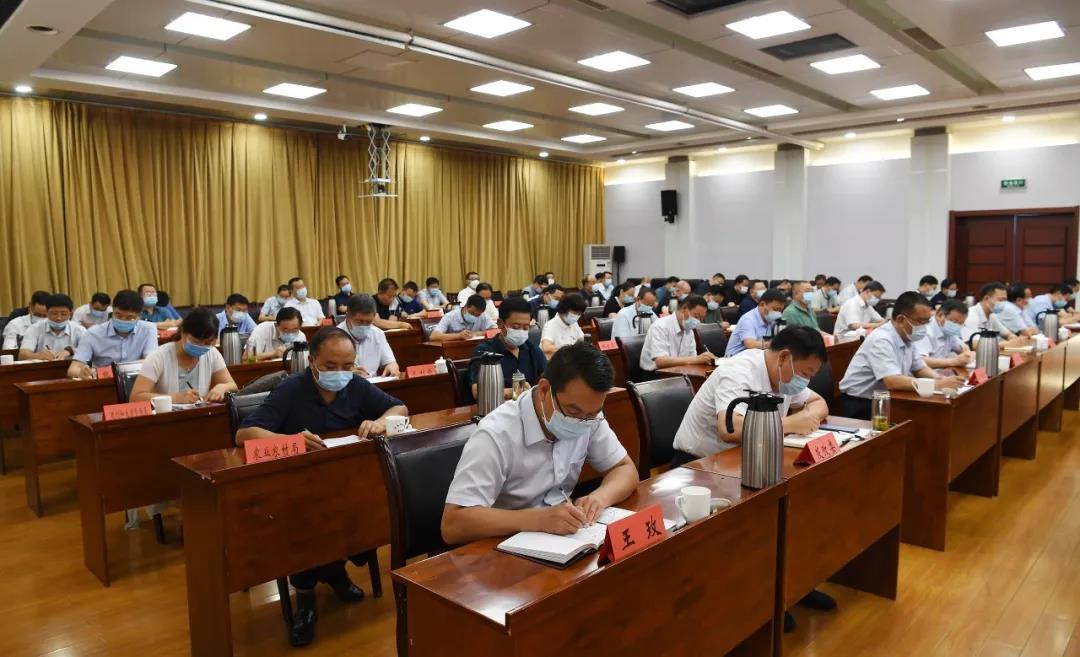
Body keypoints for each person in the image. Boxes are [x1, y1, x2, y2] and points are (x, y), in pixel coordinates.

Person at [236, 327, 407, 647]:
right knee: (309, 520)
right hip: (295, 487)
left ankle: (334, 569)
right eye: (330, 366)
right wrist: (290, 440)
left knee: (369, 508)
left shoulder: (355, 385)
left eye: (347, 365)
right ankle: (306, 600)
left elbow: (399, 407)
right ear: (312, 361)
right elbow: (244, 435)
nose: (340, 373)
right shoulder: (291, 389)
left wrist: (381, 422)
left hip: (344, 482)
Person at [441, 342, 638, 545]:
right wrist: (537, 519)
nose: (581, 422)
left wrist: (598, 499)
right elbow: (453, 524)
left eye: (591, 414)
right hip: (501, 544)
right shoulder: (496, 433)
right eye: (572, 411)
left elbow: (625, 469)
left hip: (563, 538)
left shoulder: (589, 418)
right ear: (544, 390)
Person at [673, 326, 829, 461]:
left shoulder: (783, 377)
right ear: (783, 357)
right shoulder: (739, 371)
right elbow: (729, 428)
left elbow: (819, 402)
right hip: (699, 463)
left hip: (745, 458)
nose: (805, 381)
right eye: (805, 373)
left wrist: (808, 418)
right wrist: (790, 423)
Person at [839, 292, 967, 419]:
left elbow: (919, 368)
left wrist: (941, 379)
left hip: (885, 398)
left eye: (927, 322)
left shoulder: (907, 336)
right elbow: (892, 381)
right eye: (921, 322)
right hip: (860, 404)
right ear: (901, 319)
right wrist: (937, 384)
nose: (925, 327)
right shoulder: (882, 339)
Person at [129, 308, 237, 403]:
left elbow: (232, 386)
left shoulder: (212, 353)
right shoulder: (159, 356)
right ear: (183, 333)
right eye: (196, 341)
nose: (202, 346)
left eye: (208, 343)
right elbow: (135, 397)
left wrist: (223, 387)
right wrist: (175, 398)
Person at [67, 290, 160, 378]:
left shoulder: (148, 329)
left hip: (137, 380)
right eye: (118, 315)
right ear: (112, 311)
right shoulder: (92, 333)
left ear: (139, 316)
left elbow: (151, 362)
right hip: (105, 381)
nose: (123, 320)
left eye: (130, 317)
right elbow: (73, 369)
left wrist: (117, 370)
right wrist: (82, 373)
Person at [468, 297, 546, 399]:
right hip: (497, 406)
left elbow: (550, 379)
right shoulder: (484, 352)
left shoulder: (533, 350)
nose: (521, 331)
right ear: (500, 324)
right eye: (516, 327)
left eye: (526, 327)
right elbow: (478, 392)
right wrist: (515, 391)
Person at [640, 295, 714, 372]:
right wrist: (697, 359)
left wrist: (706, 359)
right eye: (696, 316)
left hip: (680, 372)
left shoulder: (689, 331)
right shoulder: (660, 326)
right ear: (684, 308)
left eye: (701, 319)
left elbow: (692, 358)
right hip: (655, 375)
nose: (698, 321)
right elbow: (660, 361)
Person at [337, 294, 400, 377]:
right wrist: (347, 374)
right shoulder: (334, 337)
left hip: (373, 382)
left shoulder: (378, 334)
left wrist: (392, 367)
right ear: (347, 316)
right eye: (359, 321)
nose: (364, 326)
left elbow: (391, 363)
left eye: (368, 322)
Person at [18, 293, 86, 361]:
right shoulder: (34, 329)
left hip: (71, 367)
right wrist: (39, 356)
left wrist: (70, 351)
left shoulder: (79, 330)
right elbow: (22, 355)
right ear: (47, 313)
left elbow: (89, 351)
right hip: (43, 366)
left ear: (70, 314)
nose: (59, 318)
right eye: (54, 313)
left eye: (63, 314)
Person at [962, 281, 1030, 344]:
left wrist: (1014, 339)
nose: (1004, 304)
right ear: (986, 298)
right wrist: (1005, 344)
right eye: (1000, 300)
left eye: (1005, 300)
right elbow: (974, 344)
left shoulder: (992, 316)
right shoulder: (971, 315)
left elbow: (1007, 334)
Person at [916, 300, 974, 372]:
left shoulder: (948, 331)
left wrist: (967, 353)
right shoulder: (923, 331)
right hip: (921, 376)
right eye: (954, 321)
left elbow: (962, 347)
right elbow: (920, 361)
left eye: (961, 323)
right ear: (940, 315)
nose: (957, 326)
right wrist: (953, 361)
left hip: (940, 373)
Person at [727, 289, 788, 356]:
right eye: (775, 309)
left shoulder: (771, 319)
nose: (778, 313)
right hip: (735, 358)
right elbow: (750, 345)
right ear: (762, 304)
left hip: (755, 357)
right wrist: (774, 344)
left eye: (780, 310)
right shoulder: (748, 319)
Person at [430, 295, 495, 341]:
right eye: (472, 313)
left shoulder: (483, 316)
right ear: (466, 306)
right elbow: (434, 336)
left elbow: (496, 331)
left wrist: (477, 334)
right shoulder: (450, 316)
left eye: (477, 315)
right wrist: (459, 336)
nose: (474, 316)